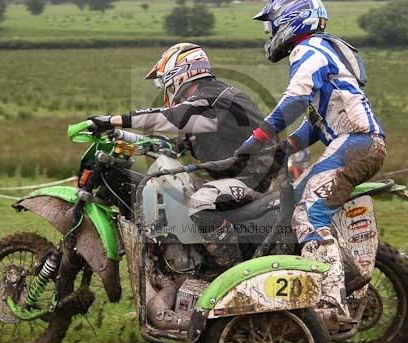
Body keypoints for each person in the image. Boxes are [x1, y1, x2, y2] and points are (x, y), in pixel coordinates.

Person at [235, 0, 386, 319]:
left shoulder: (309, 48)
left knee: (307, 216)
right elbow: (317, 124)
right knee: (291, 208)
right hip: (357, 142)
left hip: (356, 143)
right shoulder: (323, 49)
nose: (271, 35)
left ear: (290, 20)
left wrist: (258, 137)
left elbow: (295, 100)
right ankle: (344, 275)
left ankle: (330, 304)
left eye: (272, 26)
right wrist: (284, 147)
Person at [87, 42, 273, 267]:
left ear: (178, 74)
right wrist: (122, 136)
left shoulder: (215, 96)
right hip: (236, 178)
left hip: (254, 180)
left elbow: (170, 117)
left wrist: (111, 120)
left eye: (161, 81)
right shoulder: (206, 105)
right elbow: (168, 143)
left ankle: (229, 267)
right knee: (172, 190)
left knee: (200, 202)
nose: (162, 88)